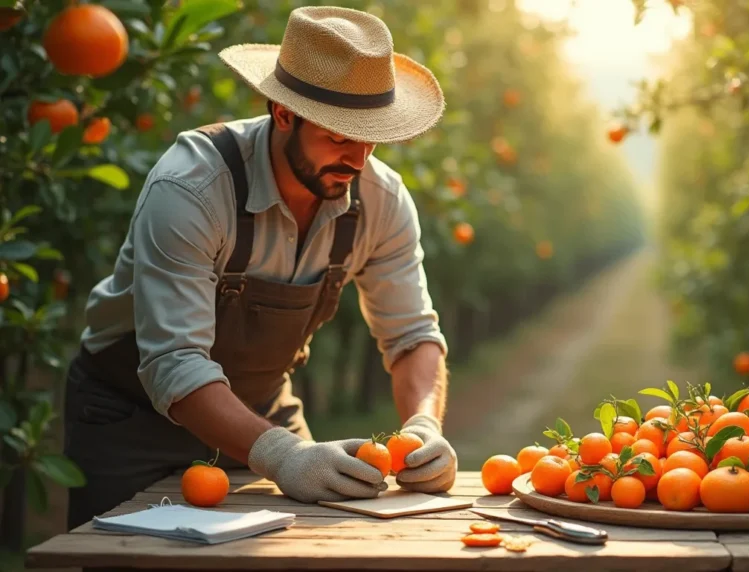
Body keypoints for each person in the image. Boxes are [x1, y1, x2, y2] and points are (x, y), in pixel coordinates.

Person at [62, 6, 456, 530]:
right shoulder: (192, 188)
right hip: (130, 418)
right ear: (283, 113)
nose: (358, 159)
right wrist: (284, 457)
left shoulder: (380, 201)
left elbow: (411, 334)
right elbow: (174, 363)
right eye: (339, 136)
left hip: (262, 409)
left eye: (370, 136)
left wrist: (424, 422)